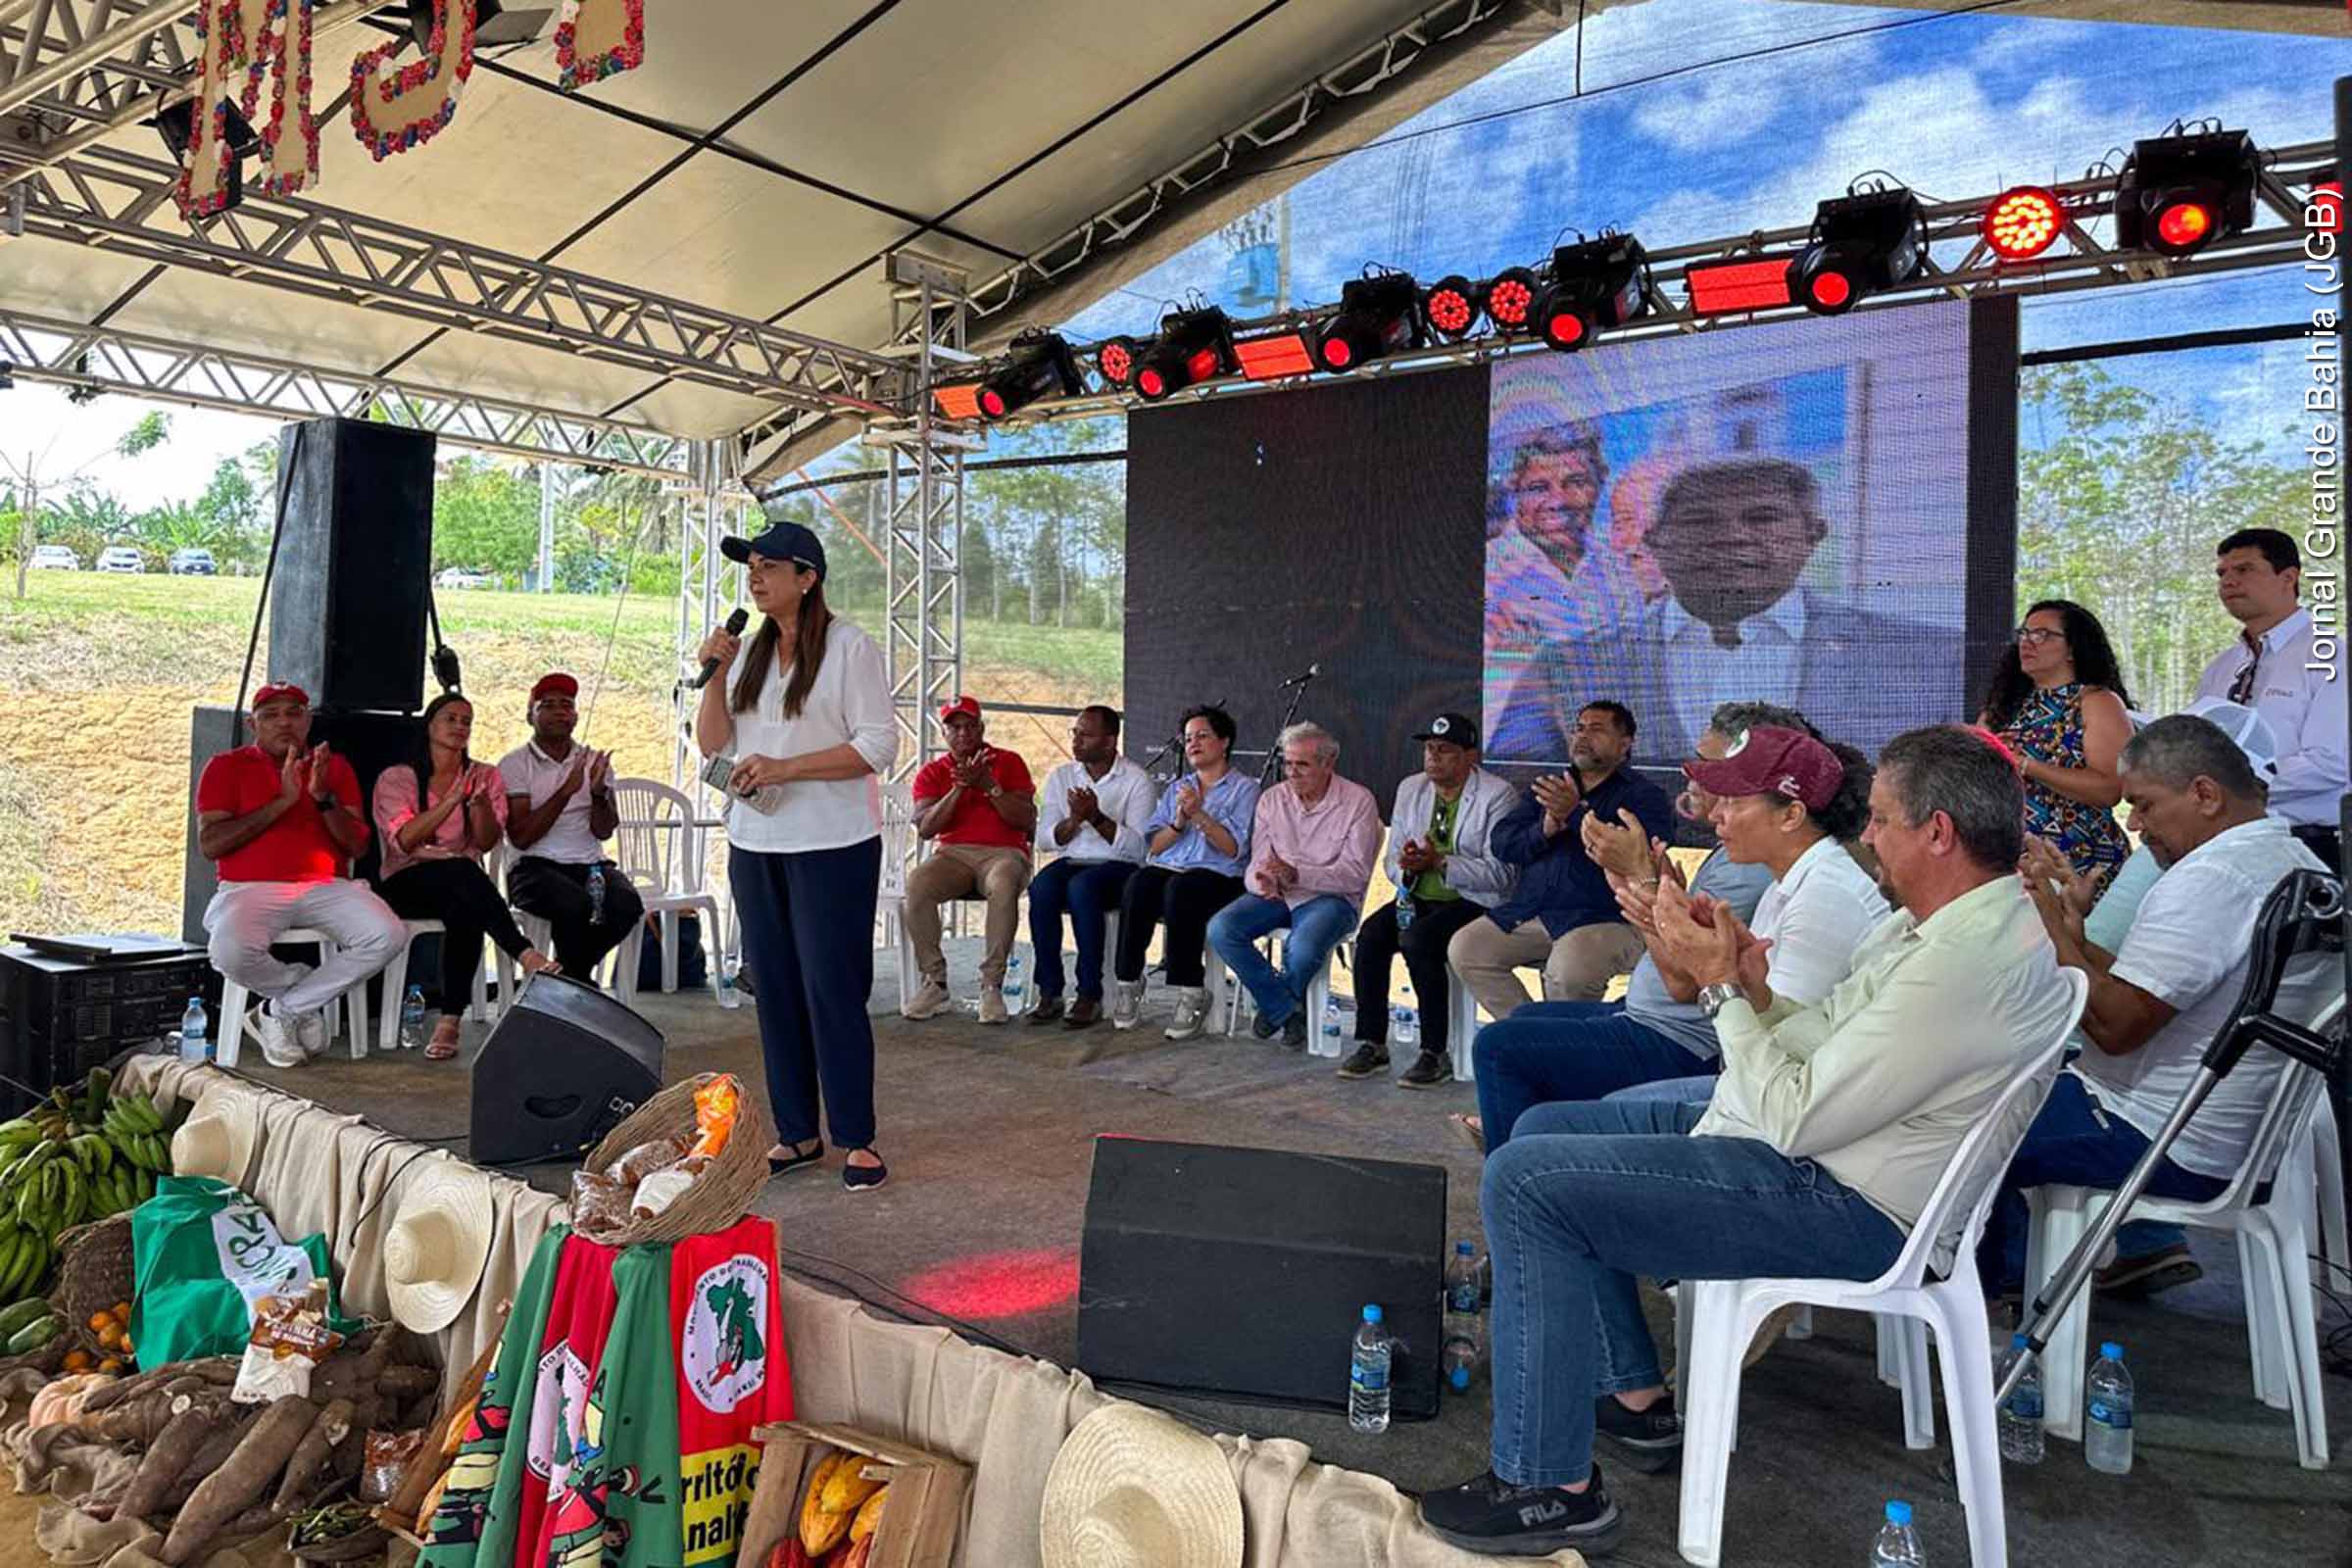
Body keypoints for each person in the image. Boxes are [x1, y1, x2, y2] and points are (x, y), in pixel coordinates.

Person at [1419, 726, 2078, 1557]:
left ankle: (1551, 1485)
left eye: (1879, 819)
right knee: (1545, 1136)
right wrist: (1757, 987)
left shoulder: (1960, 961)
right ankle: (1615, 1396)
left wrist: (1730, 987)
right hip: (1825, 1152)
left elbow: (1797, 1113)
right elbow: (1824, 1040)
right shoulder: (1942, 926)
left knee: (1527, 1182)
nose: (1866, 835)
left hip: (1848, 1199)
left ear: (1938, 832)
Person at [1982, 711, 2336, 1301]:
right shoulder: (2297, 864)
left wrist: (2052, 928)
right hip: (2224, 1138)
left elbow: (2117, 1028)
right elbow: (2143, 988)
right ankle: (2014, 1277)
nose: (2138, 827)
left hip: (2153, 1134)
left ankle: (1983, 1301)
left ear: (2204, 794)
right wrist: (2075, 934)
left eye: (2144, 806)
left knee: (1951, 1119)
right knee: (1983, 1094)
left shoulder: (2213, 877)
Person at [1470, 722, 1886, 1152]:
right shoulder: (1790, 883)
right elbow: (1756, 1016)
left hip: (1754, 1116)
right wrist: (1657, 907)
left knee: (1512, 1073)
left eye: (1734, 800)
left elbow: (1774, 1070)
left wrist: (1650, 895)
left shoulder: (1823, 901)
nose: (1718, 813)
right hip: (1738, 1085)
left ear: (1792, 815)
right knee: (1530, 1095)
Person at [1489, 457, 1948, 763]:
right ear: (1655, 542)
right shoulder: (1565, 668)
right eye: (1699, 521)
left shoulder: (1925, 660)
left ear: (1814, 534)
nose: (1731, 536)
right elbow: (1520, 788)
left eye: (1763, 518)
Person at [696, 521, 897, 1192]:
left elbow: (877, 746)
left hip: (832, 847)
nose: (755, 578)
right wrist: (715, 675)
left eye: (769, 567)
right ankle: (796, 1133)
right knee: (774, 990)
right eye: (749, 567)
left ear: (807, 577)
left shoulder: (848, 647)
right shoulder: (748, 651)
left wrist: (788, 768)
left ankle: (857, 1139)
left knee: (831, 991)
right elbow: (714, 745)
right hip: (756, 844)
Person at [196, 683, 406, 1068]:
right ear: (251, 724)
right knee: (228, 950)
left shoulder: (333, 767)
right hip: (249, 887)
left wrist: (322, 797)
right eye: (271, 715)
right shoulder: (226, 766)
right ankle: (300, 994)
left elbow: (357, 846)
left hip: (326, 885)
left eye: (294, 713)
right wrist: (283, 803)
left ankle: (278, 1012)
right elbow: (211, 844)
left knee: (387, 934)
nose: (284, 723)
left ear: (308, 721)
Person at [1447, 702, 1672, 1019]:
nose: (1582, 736)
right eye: (1578, 728)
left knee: (1569, 973)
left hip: (1606, 919)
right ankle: (1531, 1035)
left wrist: (1575, 814)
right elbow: (1503, 843)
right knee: (1468, 949)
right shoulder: (1551, 786)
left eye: (1596, 729)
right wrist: (1545, 828)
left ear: (1625, 744)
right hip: (1534, 912)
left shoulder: (1644, 796)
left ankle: (1566, 1053)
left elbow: (1637, 854)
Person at [1336, 712, 1518, 1088]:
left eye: (1445, 750)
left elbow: (1502, 875)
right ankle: (1372, 1041)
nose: (1433, 757)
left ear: (1470, 756)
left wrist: (1441, 862)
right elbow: (1391, 857)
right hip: (1417, 893)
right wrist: (1406, 865)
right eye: (1429, 749)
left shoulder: (1497, 796)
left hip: (1474, 900)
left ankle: (1435, 1051)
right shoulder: (1411, 788)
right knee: (1371, 935)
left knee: (1420, 940)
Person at [372, 692, 558, 1059]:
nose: (460, 727)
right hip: (407, 881)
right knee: (462, 874)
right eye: (451, 719)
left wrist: (481, 807)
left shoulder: (484, 776)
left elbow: (487, 842)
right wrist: (449, 801)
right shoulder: (398, 777)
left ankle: (450, 1021)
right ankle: (523, 953)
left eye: (467, 721)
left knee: (466, 901)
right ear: (430, 726)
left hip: (463, 884)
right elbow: (405, 841)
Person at [1204, 722, 1383, 1047]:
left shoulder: (1358, 801)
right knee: (1221, 928)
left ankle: (1276, 1009)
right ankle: (1285, 1009)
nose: (1292, 772)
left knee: (1302, 949)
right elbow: (1257, 861)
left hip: (1332, 898)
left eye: (1302, 764)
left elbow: (1355, 872)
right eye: (1287, 763)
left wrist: (1298, 874)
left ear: (1328, 764)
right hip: (1278, 894)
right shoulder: (1272, 800)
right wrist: (1264, 880)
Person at [2195, 527, 2346, 867]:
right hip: (2222, 842)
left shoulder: (2331, 657)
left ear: (2288, 577)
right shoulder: (2221, 668)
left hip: (2306, 847)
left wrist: (2233, 786)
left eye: (2244, 569)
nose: (2228, 581)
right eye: (2222, 573)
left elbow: (2330, 764)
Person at [1109, 705, 1259, 1037]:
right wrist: (1179, 820)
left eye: (1202, 736)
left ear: (1224, 742)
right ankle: (1129, 981)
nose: (1193, 743)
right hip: (1172, 869)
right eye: (1188, 738)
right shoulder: (1179, 786)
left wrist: (1201, 815)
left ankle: (1191, 989)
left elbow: (1235, 849)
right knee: (1140, 882)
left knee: (1183, 889)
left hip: (1222, 878)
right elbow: (1156, 847)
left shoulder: (1245, 789)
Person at [498, 671, 645, 984]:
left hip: (590, 864)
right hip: (532, 868)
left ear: (575, 716)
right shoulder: (514, 764)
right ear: (530, 715)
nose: (559, 711)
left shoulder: (592, 760)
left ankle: (565, 978)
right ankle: (576, 983)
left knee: (627, 903)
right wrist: (565, 791)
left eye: (566, 704)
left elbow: (604, 831)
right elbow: (521, 837)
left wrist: (597, 794)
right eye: (547, 705)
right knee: (575, 905)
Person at [900, 696, 1037, 1024]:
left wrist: (989, 785)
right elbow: (927, 828)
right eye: (954, 726)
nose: (962, 733)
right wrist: (960, 788)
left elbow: (1026, 819)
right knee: (917, 882)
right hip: (953, 855)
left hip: (1004, 853)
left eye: (969, 725)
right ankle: (935, 981)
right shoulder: (933, 772)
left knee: (1003, 883)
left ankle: (992, 984)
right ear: (944, 733)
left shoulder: (1009, 761)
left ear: (981, 728)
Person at [1979, 598, 2133, 888]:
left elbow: (2110, 789)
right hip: (2013, 864)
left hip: (2080, 862)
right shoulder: (2002, 707)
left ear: (2073, 648)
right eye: (2024, 633)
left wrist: (2027, 765)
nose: (2027, 642)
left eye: (2042, 634)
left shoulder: (2096, 701)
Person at [1027, 706, 1158, 1031]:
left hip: (1119, 867)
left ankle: (1090, 993)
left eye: (1086, 734)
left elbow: (1142, 848)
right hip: (1072, 860)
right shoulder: (1062, 776)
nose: (1077, 740)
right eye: (1075, 733)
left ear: (1111, 740)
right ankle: (1050, 990)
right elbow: (1045, 839)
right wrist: (1074, 820)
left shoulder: (1136, 780)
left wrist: (1097, 819)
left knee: (1083, 888)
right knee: (1040, 888)